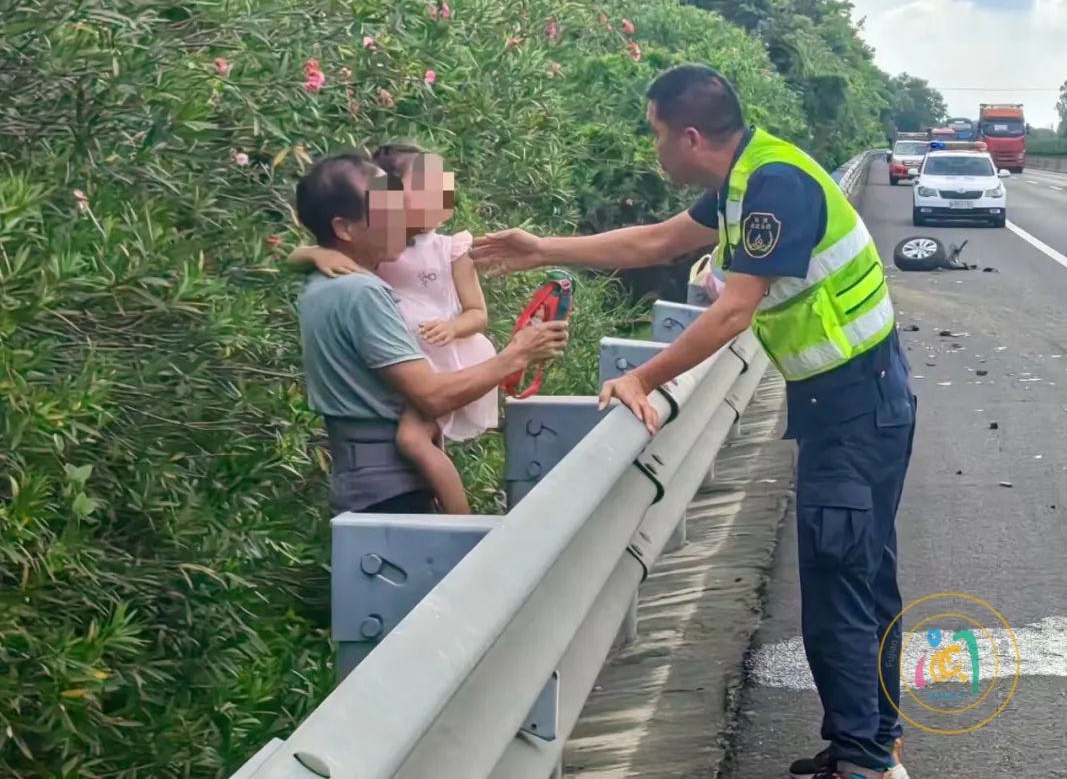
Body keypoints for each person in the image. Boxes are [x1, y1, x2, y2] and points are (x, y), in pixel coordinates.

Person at [471, 64, 915, 779]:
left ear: (689, 135)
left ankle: (863, 759)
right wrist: (542, 248)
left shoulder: (774, 187)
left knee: (841, 580)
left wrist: (643, 375)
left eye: (653, 135)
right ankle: (870, 740)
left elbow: (734, 309)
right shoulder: (744, 180)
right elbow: (654, 243)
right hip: (856, 397)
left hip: (856, 404)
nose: (652, 150)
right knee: (860, 573)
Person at [294, 151, 567, 516]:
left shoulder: (325, 282)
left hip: (367, 484)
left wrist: (311, 254)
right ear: (345, 228)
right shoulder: (360, 292)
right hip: (389, 491)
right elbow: (432, 396)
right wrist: (517, 354)